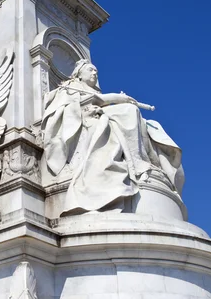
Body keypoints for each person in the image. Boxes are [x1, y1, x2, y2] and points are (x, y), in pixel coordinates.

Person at [42, 59, 184, 214]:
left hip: (97, 114)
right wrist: (116, 98)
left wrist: (113, 101)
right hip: (84, 118)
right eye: (90, 69)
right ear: (79, 74)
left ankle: (144, 162)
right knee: (129, 111)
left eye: (96, 71)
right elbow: (71, 107)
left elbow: (99, 101)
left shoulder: (93, 90)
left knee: (151, 125)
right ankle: (137, 163)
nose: (95, 73)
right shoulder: (70, 87)